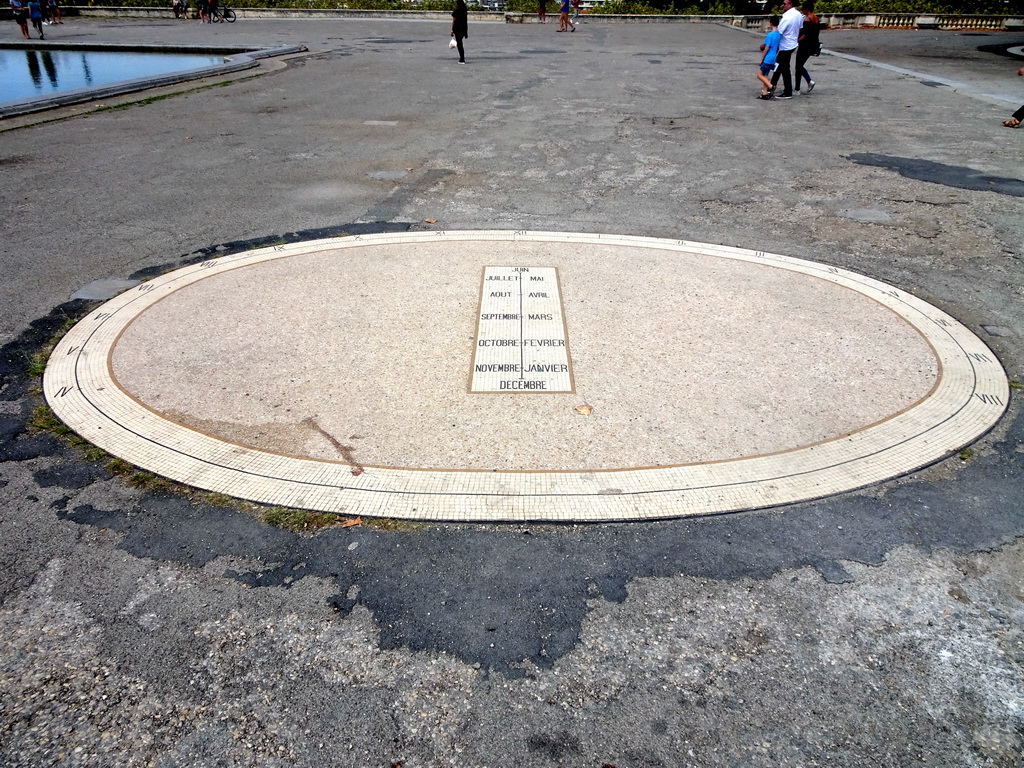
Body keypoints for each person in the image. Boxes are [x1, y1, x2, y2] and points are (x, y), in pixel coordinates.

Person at [770, 0, 803, 100]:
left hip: (785, 45)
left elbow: (778, 32)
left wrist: (770, 45)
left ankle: (780, 89)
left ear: (790, 4)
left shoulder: (787, 17)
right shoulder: (798, 14)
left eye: (784, 4)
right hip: (792, 43)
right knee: (782, 67)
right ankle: (772, 86)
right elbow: (801, 28)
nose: (782, 5)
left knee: (781, 67)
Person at [795, 0, 819, 93]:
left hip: (805, 45)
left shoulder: (807, 19)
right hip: (813, 44)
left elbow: (805, 34)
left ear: (806, 9)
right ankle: (808, 81)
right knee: (800, 65)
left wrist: (797, 41)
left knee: (798, 66)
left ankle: (798, 87)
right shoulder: (816, 18)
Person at [756, 16, 781, 99]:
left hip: (768, 57)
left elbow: (766, 48)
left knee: (759, 75)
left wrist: (761, 59)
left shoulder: (770, 35)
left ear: (770, 23)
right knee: (765, 75)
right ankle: (765, 93)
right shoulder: (779, 35)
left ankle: (771, 86)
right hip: (774, 57)